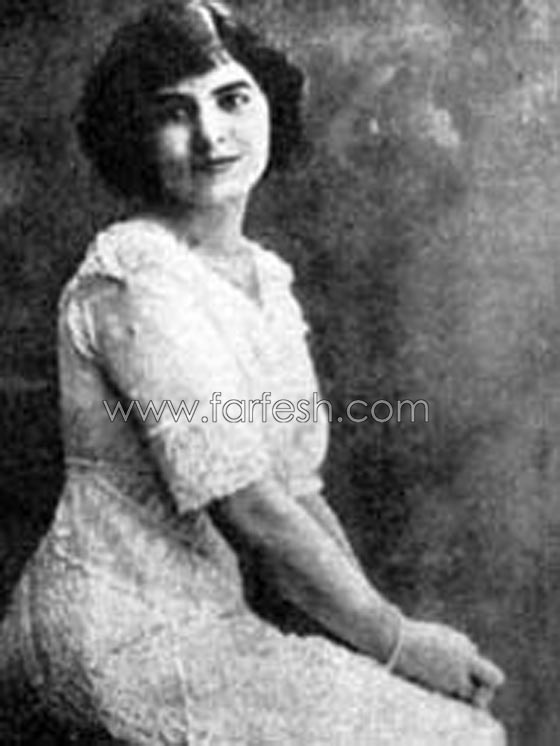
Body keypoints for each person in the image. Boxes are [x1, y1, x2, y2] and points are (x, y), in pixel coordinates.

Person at [0, 1, 507, 743]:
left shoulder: (264, 279)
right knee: (451, 738)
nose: (211, 135)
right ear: (135, 134)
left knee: (454, 723)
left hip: (211, 619)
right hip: (115, 635)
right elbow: (252, 508)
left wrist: (396, 642)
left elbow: (296, 492)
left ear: (269, 104)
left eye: (232, 99)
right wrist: (397, 642)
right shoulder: (135, 274)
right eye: (174, 112)